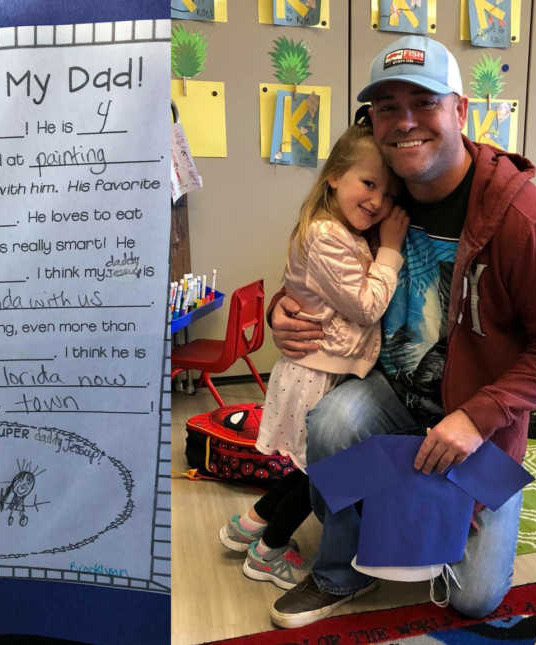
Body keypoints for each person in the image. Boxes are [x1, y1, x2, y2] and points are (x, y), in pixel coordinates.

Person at [266, 34, 536, 629]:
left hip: (479, 420)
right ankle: (344, 568)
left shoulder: (524, 221)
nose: (405, 122)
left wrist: (479, 416)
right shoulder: (377, 198)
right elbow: (318, 269)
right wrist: (280, 311)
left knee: (474, 600)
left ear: (461, 111)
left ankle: (439, 507)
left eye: (424, 102)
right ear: (372, 121)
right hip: (393, 390)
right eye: (388, 106)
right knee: (331, 424)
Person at [219, 123, 409, 590]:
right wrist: (390, 250)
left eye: (387, 193)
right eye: (368, 184)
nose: (377, 202)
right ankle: (268, 553)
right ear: (334, 177)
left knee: (307, 467)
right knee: (320, 475)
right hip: (318, 372)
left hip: (321, 368)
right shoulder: (328, 235)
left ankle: (251, 525)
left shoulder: (338, 229)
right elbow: (366, 305)